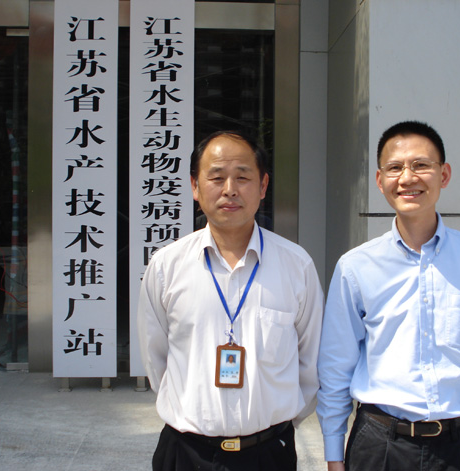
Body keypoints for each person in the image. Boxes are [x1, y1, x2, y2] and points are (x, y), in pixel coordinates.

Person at [317, 121, 460, 471]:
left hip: (459, 448)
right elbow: (336, 367)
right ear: (380, 180)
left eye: (421, 165)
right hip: (378, 446)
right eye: (395, 167)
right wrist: (334, 455)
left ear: (444, 175)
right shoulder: (356, 267)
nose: (407, 177)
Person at [138, 130, 324, 471]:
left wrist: (275, 425)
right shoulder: (167, 266)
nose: (230, 190)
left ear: (263, 186)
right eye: (216, 177)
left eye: (242, 177)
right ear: (195, 187)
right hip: (185, 452)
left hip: (268, 454)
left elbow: (309, 363)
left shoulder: (296, 266)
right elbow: (156, 358)